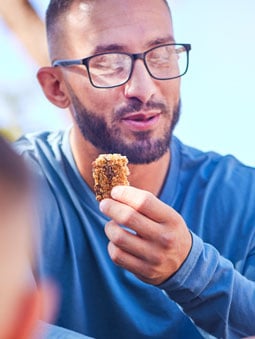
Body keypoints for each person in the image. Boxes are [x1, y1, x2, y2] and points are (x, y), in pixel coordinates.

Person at [15, 0, 255, 338]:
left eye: (161, 54)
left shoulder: (244, 198)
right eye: (109, 63)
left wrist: (190, 270)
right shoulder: (14, 187)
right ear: (56, 88)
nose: (143, 89)